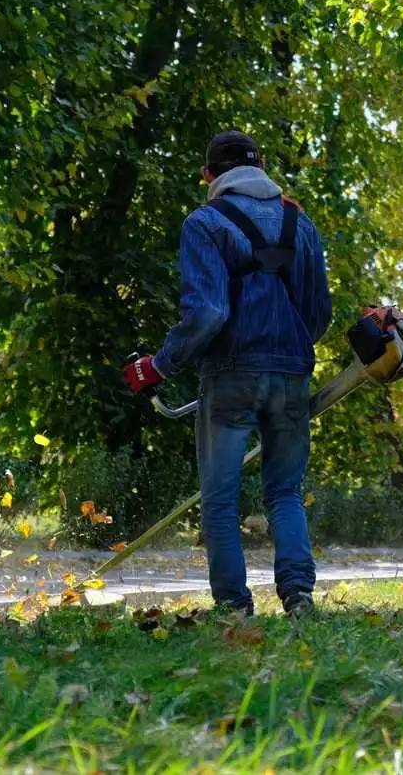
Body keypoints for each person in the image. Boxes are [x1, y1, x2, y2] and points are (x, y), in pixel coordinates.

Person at [122, 130, 332, 617]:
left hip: (232, 376)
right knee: (285, 492)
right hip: (291, 373)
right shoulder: (300, 224)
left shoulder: (204, 223)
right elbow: (318, 314)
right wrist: (287, 349)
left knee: (220, 499)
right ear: (261, 169)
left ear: (208, 176)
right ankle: (298, 595)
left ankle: (234, 607)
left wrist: (158, 365)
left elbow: (209, 311)